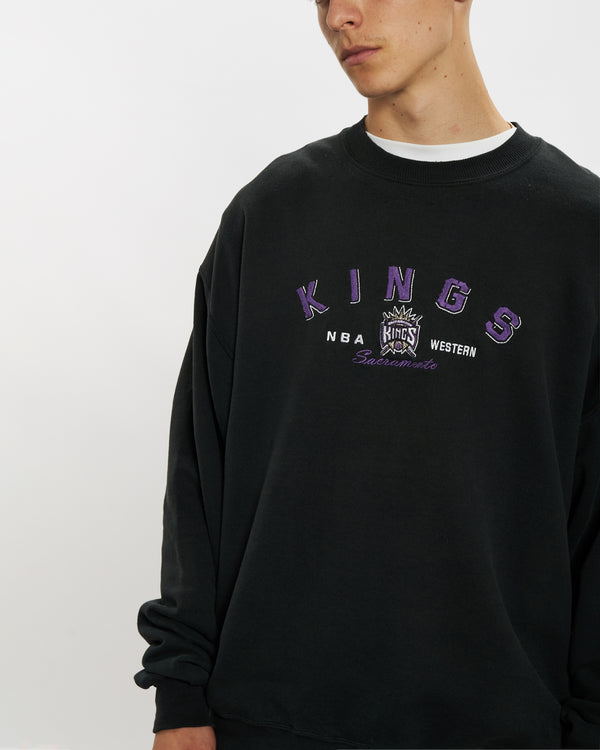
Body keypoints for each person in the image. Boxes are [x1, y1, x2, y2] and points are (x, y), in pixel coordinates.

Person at [134, 1, 600, 748]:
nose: (340, 16)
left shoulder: (578, 232)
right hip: (265, 719)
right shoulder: (273, 212)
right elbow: (200, 467)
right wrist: (180, 695)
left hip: (501, 725)